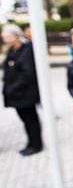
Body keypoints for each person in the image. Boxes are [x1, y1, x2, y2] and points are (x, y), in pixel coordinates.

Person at [1, 24, 43, 156]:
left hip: (25, 94)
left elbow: (27, 73)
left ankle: (36, 144)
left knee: (30, 119)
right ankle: (31, 143)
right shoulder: (12, 50)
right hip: (16, 94)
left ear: (15, 36)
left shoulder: (26, 50)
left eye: (7, 36)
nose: (5, 39)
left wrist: (13, 87)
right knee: (26, 119)